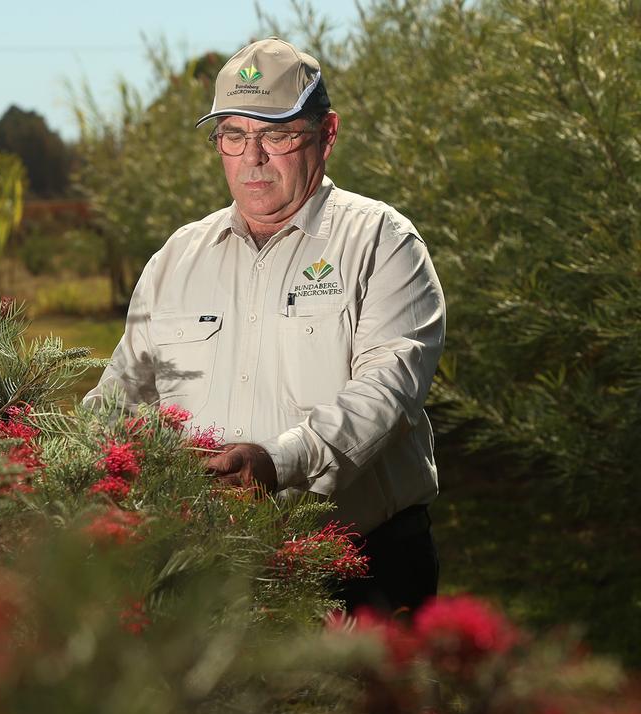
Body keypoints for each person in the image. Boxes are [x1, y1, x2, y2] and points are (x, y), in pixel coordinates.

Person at [83, 37, 446, 615]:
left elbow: (388, 389)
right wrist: (59, 464)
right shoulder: (176, 260)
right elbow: (118, 399)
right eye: (233, 134)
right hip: (206, 573)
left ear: (327, 134)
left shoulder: (380, 242)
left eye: (276, 134)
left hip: (358, 572)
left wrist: (280, 461)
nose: (252, 156)